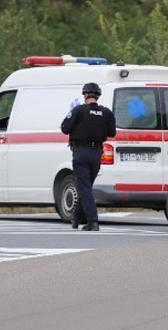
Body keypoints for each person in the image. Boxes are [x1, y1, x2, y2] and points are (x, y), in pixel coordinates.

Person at [61, 82, 116, 231]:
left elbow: (64, 128)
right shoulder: (106, 112)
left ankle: (93, 221)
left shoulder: (78, 110)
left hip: (81, 152)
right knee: (86, 187)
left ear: (85, 95)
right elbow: (112, 133)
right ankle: (76, 219)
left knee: (84, 188)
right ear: (98, 96)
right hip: (97, 154)